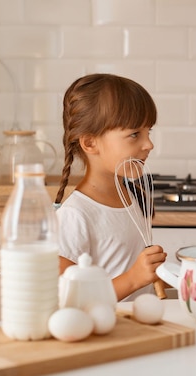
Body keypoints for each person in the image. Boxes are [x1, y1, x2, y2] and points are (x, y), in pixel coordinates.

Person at [54, 73, 167, 301]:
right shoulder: (76, 215)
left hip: (135, 326)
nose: (149, 144)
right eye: (134, 134)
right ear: (90, 143)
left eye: (148, 132)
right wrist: (134, 278)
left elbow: (131, 274)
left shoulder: (131, 196)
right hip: (105, 332)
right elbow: (69, 296)